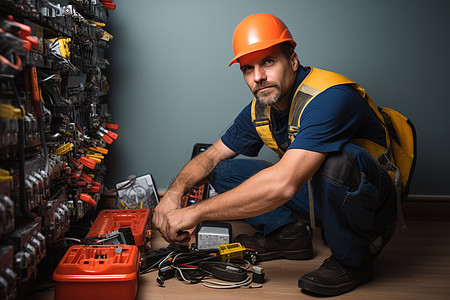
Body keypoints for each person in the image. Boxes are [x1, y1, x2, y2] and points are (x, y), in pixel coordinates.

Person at [153, 13, 398, 296]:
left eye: (268, 62)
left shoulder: (330, 97)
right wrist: (172, 194)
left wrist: (193, 213)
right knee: (220, 171)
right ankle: (288, 237)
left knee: (337, 161)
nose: (258, 77)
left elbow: (284, 183)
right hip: (317, 193)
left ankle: (352, 260)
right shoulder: (262, 107)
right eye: (248, 68)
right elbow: (211, 156)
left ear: (292, 61)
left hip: (371, 200)